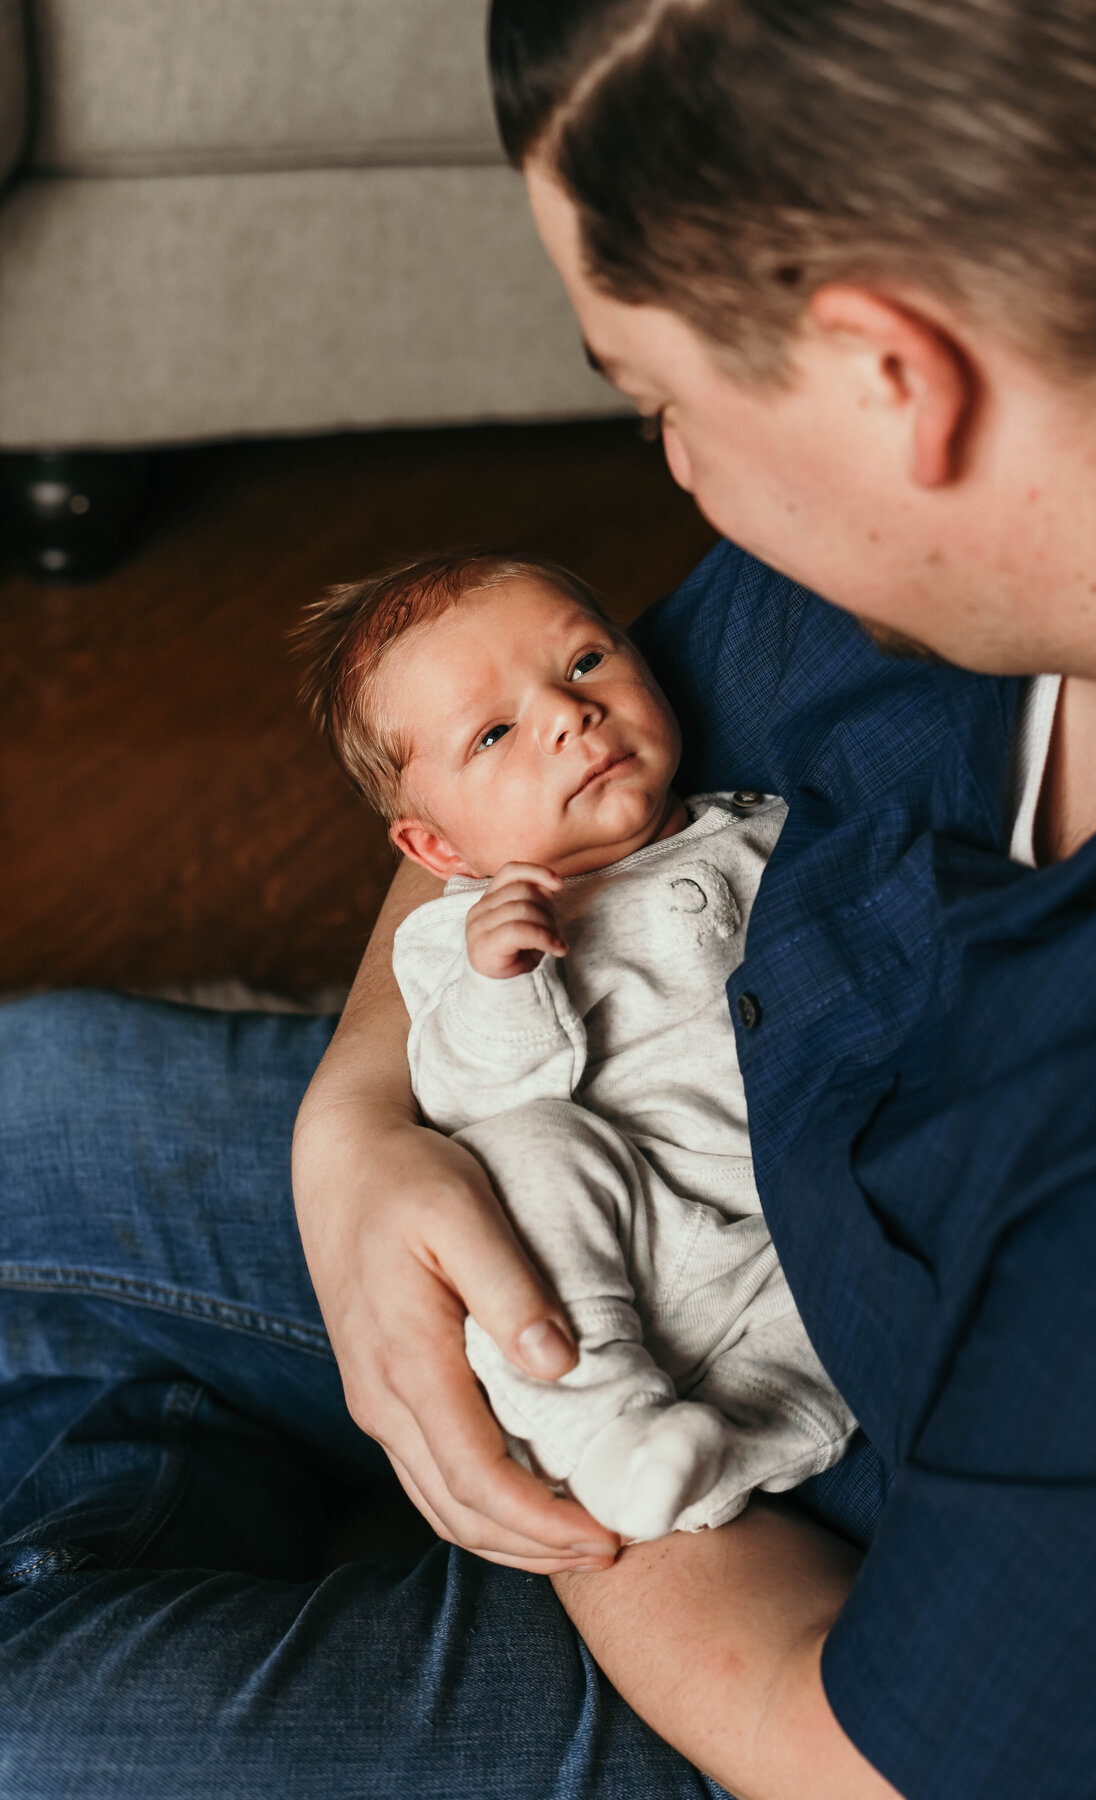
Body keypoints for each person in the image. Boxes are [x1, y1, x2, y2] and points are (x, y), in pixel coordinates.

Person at [2, 2, 1096, 1796]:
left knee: (35, 1724)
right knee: (34, 1108)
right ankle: (253, 1458)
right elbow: (522, 817)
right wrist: (361, 1144)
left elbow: (866, 1761)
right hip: (641, 1135)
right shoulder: (947, 553)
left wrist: (549, 1423)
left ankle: (238, 1475)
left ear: (893, 375)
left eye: (656, 404)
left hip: (789, 1542)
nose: (680, 477)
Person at [295, 549, 855, 1540]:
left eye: (588, 661)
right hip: (624, 1235)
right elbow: (468, 1099)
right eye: (496, 732)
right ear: (437, 852)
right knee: (525, 1155)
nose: (568, 714)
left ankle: (720, 1459)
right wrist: (502, 980)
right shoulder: (462, 934)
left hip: (782, 1222)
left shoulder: (759, 827)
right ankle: (609, 1428)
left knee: (831, 1332)